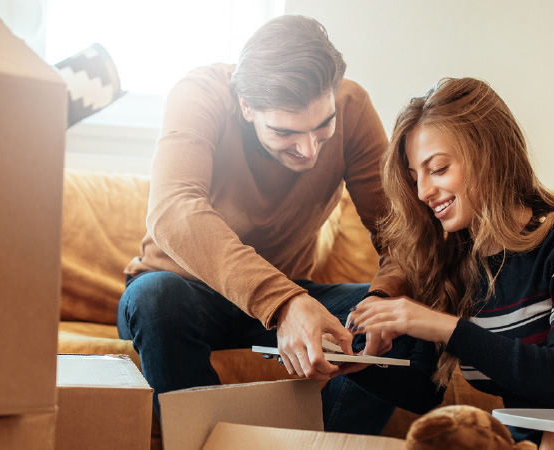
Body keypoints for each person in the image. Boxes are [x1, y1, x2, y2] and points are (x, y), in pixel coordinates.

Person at [339, 77, 554, 449]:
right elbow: (423, 391)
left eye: (439, 169)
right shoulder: (453, 260)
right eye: (415, 177)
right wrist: (355, 365)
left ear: (489, 154)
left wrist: (443, 326)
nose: (423, 192)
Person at [116, 15, 404, 433]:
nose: (309, 151)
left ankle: (325, 444)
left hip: (282, 299)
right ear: (246, 105)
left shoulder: (353, 106)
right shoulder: (201, 94)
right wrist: (284, 302)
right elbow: (173, 210)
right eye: (286, 132)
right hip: (183, 296)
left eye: (323, 127)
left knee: (405, 318)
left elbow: (400, 235)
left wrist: (383, 299)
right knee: (156, 297)